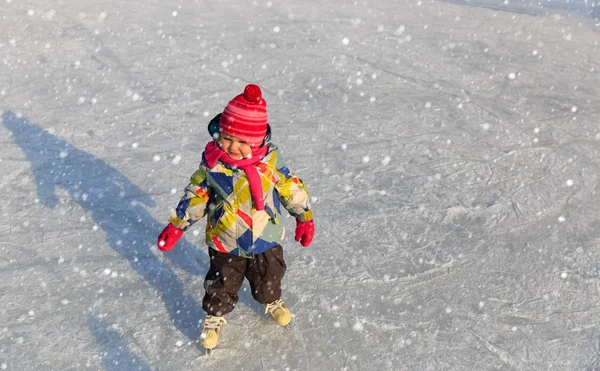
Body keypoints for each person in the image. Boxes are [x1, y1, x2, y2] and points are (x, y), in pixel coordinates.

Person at [157, 84, 314, 353]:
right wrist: (177, 225)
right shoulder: (213, 165)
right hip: (225, 238)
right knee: (222, 281)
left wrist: (304, 216)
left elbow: (291, 188)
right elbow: (196, 196)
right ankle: (215, 316)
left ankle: (271, 300)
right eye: (228, 138)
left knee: (270, 275)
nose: (233, 146)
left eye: (242, 142)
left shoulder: (270, 163)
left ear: (257, 141)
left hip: (265, 236)